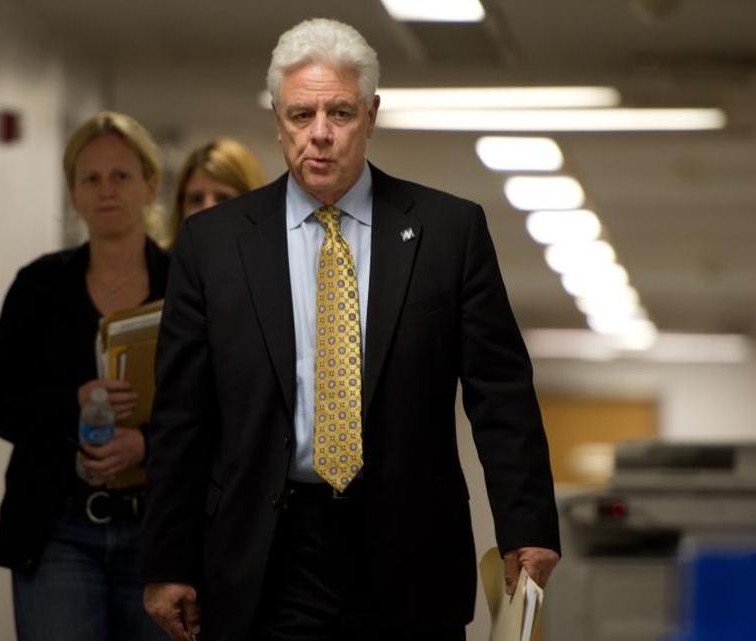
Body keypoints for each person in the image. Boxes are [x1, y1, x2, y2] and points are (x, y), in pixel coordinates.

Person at [141, 18, 560, 641]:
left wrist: (525, 524)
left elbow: (500, 391)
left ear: (371, 114)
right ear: (278, 119)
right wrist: (167, 560)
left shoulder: (449, 233)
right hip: (266, 548)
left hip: (409, 543)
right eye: (300, 115)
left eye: (338, 113)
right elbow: (182, 414)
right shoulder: (214, 244)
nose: (319, 135)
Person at [0, 111, 170, 641]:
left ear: (150, 185)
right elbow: (1, 402)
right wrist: (74, 401)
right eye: (91, 178)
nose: (106, 190)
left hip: (157, 533)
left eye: (121, 176)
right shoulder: (38, 288)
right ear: (74, 194)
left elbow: (220, 407)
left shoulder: (184, 287)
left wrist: (146, 445)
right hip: (58, 527)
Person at [156, 138, 266, 247]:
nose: (207, 209)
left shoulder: (276, 261)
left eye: (223, 198)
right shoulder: (162, 263)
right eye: (196, 199)